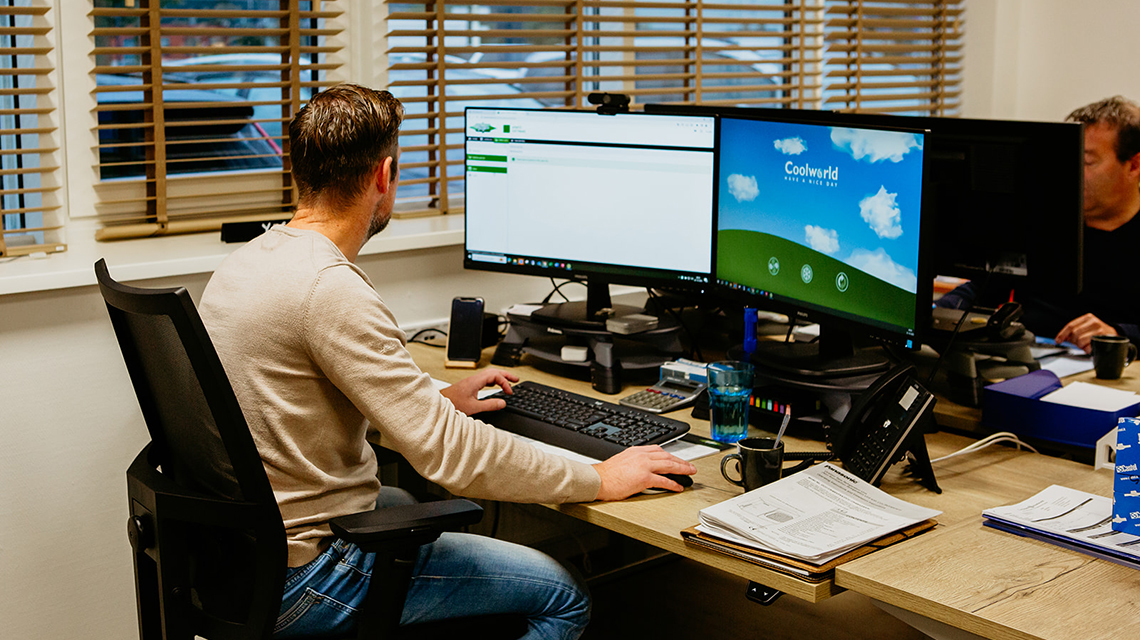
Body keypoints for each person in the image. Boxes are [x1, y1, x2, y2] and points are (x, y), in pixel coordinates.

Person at [198, 83, 695, 639]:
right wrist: (597, 477)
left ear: (299, 172)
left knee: (402, 499)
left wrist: (435, 400)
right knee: (564, 596)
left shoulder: (251, 261)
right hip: (307, 576)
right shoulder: (328, 288)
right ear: (384, 175)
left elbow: (294, 399)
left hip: (243, 559)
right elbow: (451, 457)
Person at [937, 95, 1140, 352]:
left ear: (1134, 166)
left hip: (1107, 365)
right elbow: (988, 284)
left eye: (1087, 162)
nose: (1072, 171)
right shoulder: (1045, 220)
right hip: (1025, 355)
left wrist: (1119, 334)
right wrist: (937, 310)